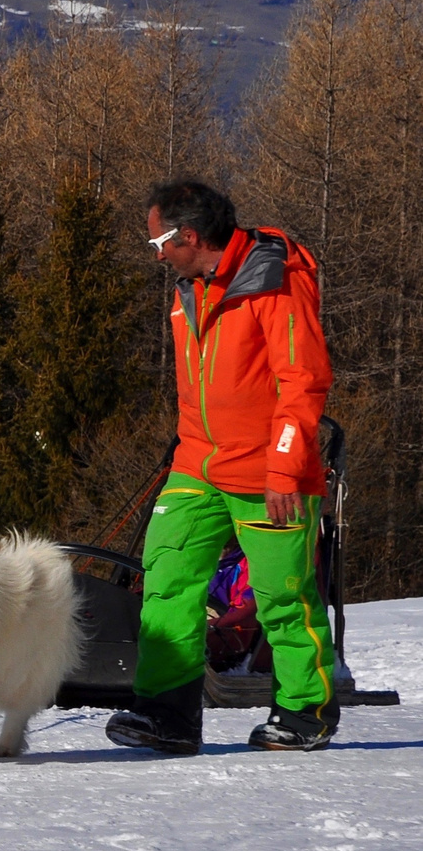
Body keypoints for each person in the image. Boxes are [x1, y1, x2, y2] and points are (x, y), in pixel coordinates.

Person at [106, 181, 338, 755]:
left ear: (190, 235)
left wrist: (284, 467)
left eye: (160, 240)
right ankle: (169, 713)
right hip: (196, 465)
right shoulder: (191, 289)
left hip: (268, 471)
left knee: (283, 594)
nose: (156, 253)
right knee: (166, 580)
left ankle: (305, 710)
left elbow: (302, 379)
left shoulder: (272, 279)